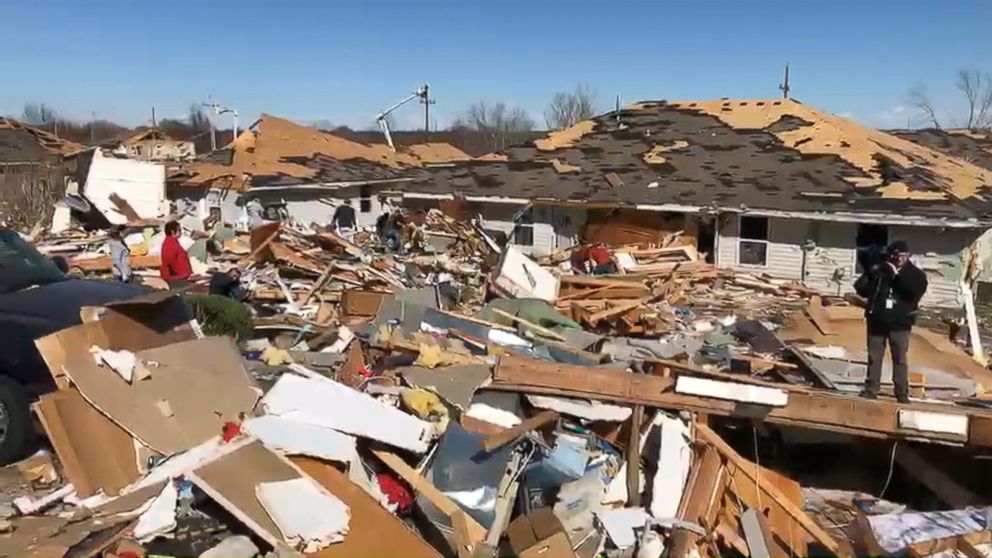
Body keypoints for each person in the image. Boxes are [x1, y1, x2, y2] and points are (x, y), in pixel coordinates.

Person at [854, 240, 928, 403]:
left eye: (901, 255)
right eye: (894, 255)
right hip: (877, 321)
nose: (897, 258)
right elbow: (861, 289)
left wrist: (896, 276)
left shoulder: (915, 275)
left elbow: (912, 293)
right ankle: (871, 388)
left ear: (908, 256)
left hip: (900, 323)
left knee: (899, 358)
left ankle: (901, 392)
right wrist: (870, 273)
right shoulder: (881, 271)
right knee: (874, 357)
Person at [160, 220, 193, 289]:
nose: (181, 232)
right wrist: (174, 272)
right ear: (172, 231)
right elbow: (168, 259)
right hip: (176, 277)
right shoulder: (170, 242)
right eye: (179, 230)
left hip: (179, 276)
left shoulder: (173, 241)